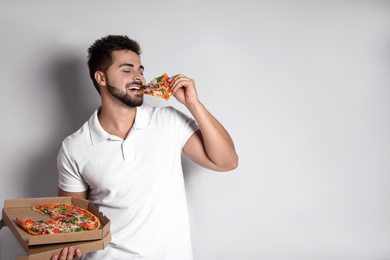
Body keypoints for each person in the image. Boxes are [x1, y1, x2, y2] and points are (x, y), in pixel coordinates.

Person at [51, 35, 238, 260]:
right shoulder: (75, 147)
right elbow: (72, 225)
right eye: (127, 70)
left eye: (140, 70)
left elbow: (227, 162)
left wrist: (193, 104)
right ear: (101, 77)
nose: (139, 76)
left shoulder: (168, 121)